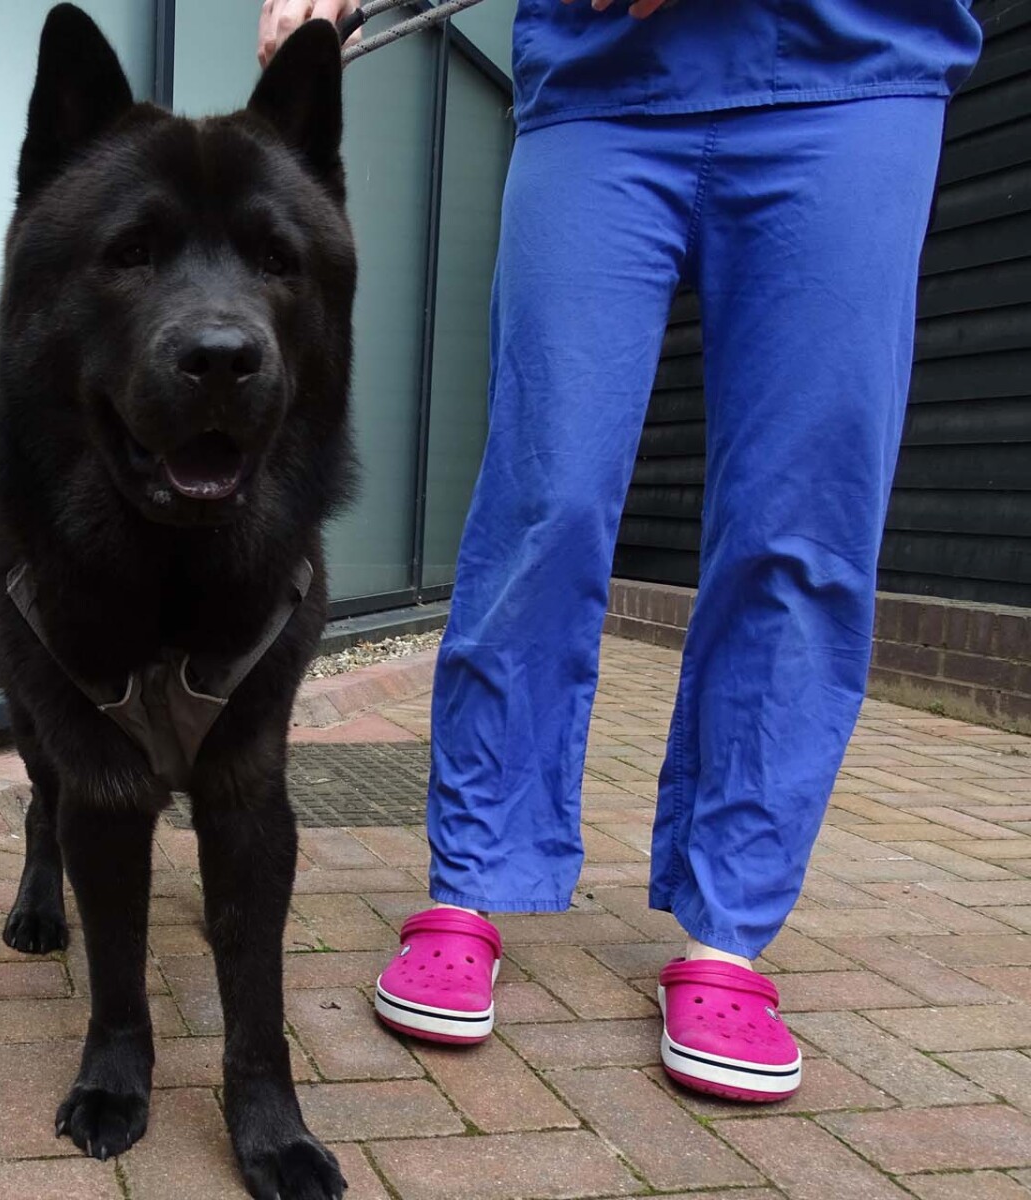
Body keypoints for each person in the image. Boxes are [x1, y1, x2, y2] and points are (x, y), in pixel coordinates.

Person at [258, 0, 983, 1101]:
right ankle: (472, 883)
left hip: (851, 72)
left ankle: (728, 933)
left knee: (799, 531)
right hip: (604, 87)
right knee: (542, 502)